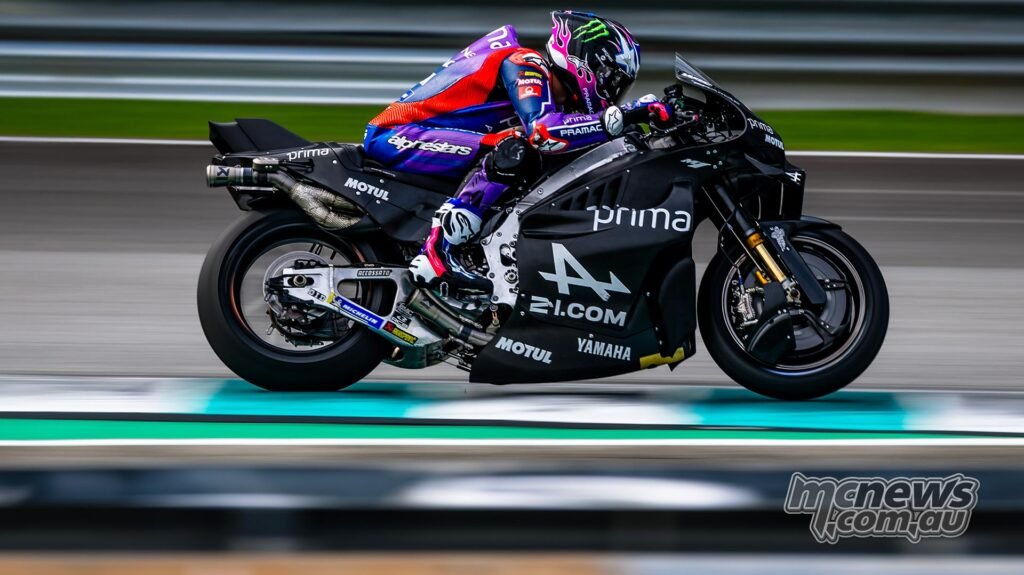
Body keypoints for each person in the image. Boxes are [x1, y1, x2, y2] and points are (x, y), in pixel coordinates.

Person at [363, 10, 674, 295]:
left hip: (432, 139)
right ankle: (440, 250)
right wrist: (627, 115)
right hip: (397, 135)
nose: (612, 91)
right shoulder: (525, 63)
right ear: (587, 61)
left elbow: (571, 131)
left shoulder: (556, 96)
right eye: (612, 79)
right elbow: (544, 132)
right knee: (516, 147)